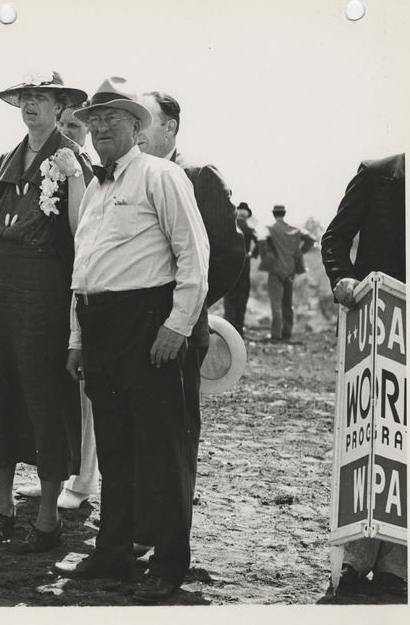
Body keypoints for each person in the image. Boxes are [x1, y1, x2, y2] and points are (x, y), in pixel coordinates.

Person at [52, 77, 209, 603]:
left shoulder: (161, 176)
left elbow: (194, 257)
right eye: (94, 125)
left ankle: (167, 564)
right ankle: (113, 552)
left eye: (112, 123)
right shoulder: (96, 188)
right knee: (116, 450)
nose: (100, 133)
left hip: (148, 323)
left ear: (137, 129)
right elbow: (85, 270)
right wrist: (77, 339)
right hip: (100, 326)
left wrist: (177, 325)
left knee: (162, 450)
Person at [0, 71, 92, 553]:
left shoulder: (72, 157)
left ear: (61, 106)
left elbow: (82, 232)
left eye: (41, 98)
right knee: (2, 389)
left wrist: (75, 173)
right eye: (26, 98)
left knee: (44, 392)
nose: (31, 106)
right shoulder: (7, 158)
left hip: (44, 289)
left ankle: (46, 518)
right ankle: (3, 507)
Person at [135, 91, 245, 554]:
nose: (138, 131)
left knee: (174, 443)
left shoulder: (199, 176)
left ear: (171, 128)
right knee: (138, 438)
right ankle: (140, 533)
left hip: (180, 333)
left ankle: (168, 547)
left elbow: (227, 253)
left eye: (147, 121)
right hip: (135, 329)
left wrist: (190, 309)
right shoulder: (133, 176)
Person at [321, 153, 406, 598]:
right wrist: (344, 279)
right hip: (376, 327)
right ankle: (354, 560)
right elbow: (334, 240)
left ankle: (400, 565)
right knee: (369, 436)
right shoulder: (378, 173)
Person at [15, 101, 99, 510]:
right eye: (63, 124)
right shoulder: (49, 163)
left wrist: (75, 174)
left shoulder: (92, 170)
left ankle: (82, 483)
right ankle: (56, 473)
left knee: (83, 393)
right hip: (53, 287)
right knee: (53, 387)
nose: (68, 132)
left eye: (75, 126)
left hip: (82, 286)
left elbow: (81, 227)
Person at [257, 204, 315, 341]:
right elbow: (311, 239)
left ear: (274, 214)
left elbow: (260, 239)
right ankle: (287, 332)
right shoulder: (295, 229)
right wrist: (301, 252)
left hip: (275, 270)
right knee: (287, 303)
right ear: (284, 214)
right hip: (290, 271)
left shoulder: (270, 228)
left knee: (275, 304)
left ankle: (276, 334)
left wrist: (266, 256)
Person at [222, 202, 257, 337]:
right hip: (244, 263)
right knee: (242, 296)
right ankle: (239, 328)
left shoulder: (230, 225)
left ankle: (228, 329)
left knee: (229, 296)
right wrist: (252, 254)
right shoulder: (250, 227)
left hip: (230, 263)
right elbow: (260, 242)